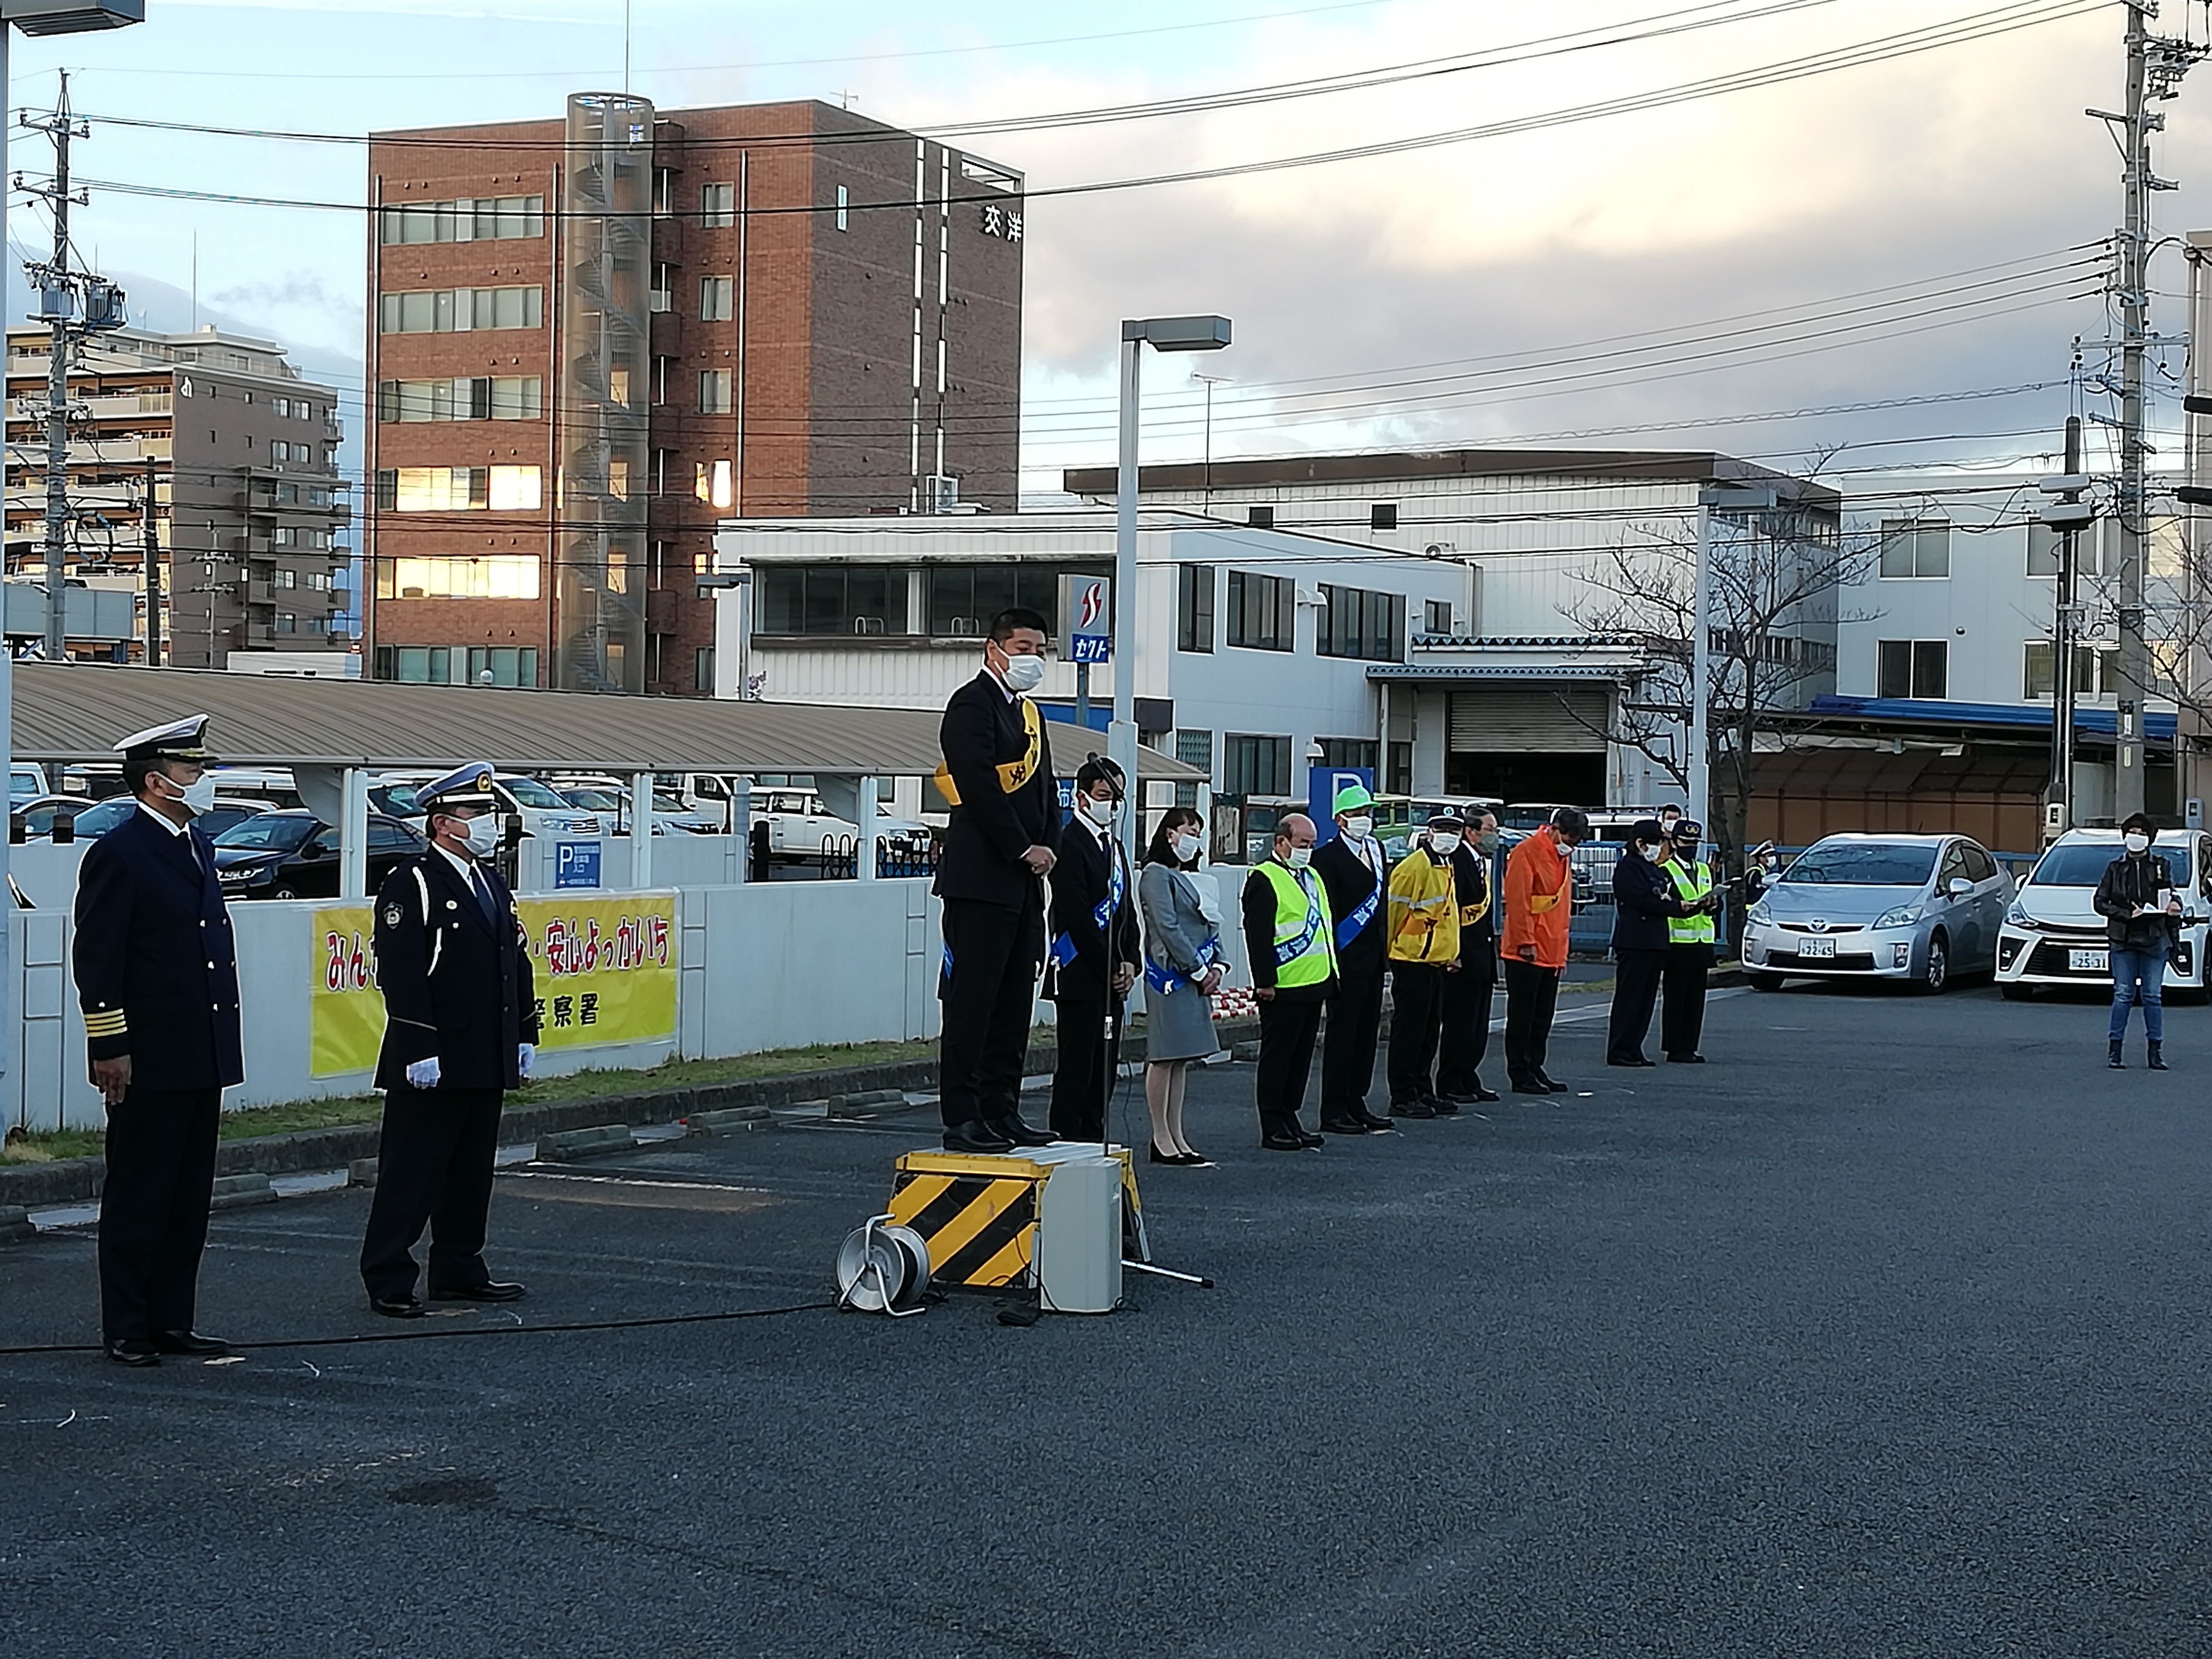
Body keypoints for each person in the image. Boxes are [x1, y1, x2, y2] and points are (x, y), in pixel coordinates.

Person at [72, 715, 243, 1367]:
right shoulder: (120, 852)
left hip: (199, 1047)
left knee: (187, 1195)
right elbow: (98, 958)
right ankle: (129, 1325)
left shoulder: (195, 843)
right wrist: (109, 1045)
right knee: (140, 1194)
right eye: (191, 769)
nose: (202, 779)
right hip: (149, 1050)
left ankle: (174, 1319)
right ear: (155, 780)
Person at [358, 763, 540, 1318]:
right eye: (474, 814)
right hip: (434, 1051)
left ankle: (461, 1268)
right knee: (413, 1170)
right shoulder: (412, 881)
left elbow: (514, 960)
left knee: (470, 1168)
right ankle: (388, 1275)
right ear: (441, 823)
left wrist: (524, 1033)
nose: (485, 823)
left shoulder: (489, 879)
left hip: (484, 1046)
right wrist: (418, 1045)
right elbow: (403, 968)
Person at [932, 607, 1061, 1152]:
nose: (1032, 658)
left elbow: (1047, 788)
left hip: (1024, 884)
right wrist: (1020, 847)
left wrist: (1052, 843)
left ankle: (1001, 1110)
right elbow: (978, 787)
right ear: (994, 649)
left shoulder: (1028, 714)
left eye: (1039, 649)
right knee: (974, 1003)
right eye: (1023, 646)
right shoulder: (972, 704)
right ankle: (963, 1116)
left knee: (1014, 1004)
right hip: (982, 878)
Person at [1045, 757, 1142, 1142]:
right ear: (1083, 799)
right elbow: (1076, 914)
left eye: (1118, 797)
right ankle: (1069, 1137)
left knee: (1105, 1066)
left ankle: (1094, 1133)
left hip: (1113, 976)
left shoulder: (1114, 846)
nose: (1111, 805)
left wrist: (1130, 960)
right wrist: (1111, 966)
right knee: (1077, 1064)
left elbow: (1127, 910)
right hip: (1081, 972)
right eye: (1104, 796)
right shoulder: (1069, 844)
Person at [1242, 813, 1338, 1150]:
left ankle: (1290, 1115)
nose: (1308, 851)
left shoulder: (1311, 876)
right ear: (1281, 842)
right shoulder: (1264, 878)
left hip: (1314, 981)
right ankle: (1272, 1123)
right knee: (1278, 1057)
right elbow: (1259, 935)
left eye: (1312, 845)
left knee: (1300, 1059)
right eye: (1302, 845)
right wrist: (1264, 981)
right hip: (1282, 985)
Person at [1138, 807, 1223, 1165]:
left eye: (1198, 833)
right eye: (1189, 831)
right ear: (1170, 834)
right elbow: (1167, 927)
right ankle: (1160, 1136)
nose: (1194, 839)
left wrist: (1218, 964)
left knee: (1182, 1059)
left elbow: (1210, 922)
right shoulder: (1156, 875)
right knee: (1164, 1055)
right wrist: (1198, 969)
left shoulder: (1191, 877)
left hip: (1196, 973)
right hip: (1170, 975)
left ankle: (1177, 1133)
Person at [1312, 783, 1396, 1135]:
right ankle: (1334, 1107)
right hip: (1346, 959)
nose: (1365, 819)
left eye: (1368, 813)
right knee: (1343, 1033)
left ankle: (1356, 1101)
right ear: (1340, 819)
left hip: (1374, 959)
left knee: (1366, 1035)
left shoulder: (1376, 850)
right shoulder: (1326, 858)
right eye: (1358, 813)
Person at [1502, 806, 1587, 1094]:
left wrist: (1561, 952)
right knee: (1523, 1016)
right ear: (1553, 829)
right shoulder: (1527, 852)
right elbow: (1518, 900)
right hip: (1527, 950)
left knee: (1542, 1017)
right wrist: (1525, 941)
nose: (1570, 845)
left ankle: (1535, 1067)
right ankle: (1519, 1072)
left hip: (1551, 949)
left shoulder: (1561, 856)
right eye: (1568, 838)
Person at [1384, 810, 1465, 1118]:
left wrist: (1451, 952)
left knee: (1429, 1031)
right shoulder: (1413, 868)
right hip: (1411, 959)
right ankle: (1403, 1095)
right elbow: (1395, 913)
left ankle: (1421, 1088)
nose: (1448, 835)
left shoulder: (1446, 865)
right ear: (1429, 831)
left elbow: (1448, 915)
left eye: (1454, 829)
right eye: (1442, 828)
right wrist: (1390, 952)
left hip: (1435, 960)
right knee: (1410, 1032)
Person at [2095, 812, 2181, 1070]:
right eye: (2132, 833)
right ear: (2124, 837)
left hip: (2155, 938)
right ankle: (2115, 1050)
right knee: (2123, 994)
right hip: (2123, 938)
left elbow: (2170, 893)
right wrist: (2125, 914)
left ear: (2150, 839)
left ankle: (2155, 1051)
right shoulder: (2115, 868)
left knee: (2153, 995)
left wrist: (2175, 905)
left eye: (2142, 834)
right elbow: (2100, 902)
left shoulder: (2160, 865)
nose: (2136, 838)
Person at [1606, 817, 1684, 1068]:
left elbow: (1665, 897)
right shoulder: (1629, 868)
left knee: (1646, 1000)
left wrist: (1688, 907)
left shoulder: (1652, 868)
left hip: (1655, 940)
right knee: (1630, 997)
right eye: (1655, 843)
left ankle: (1634, 1047)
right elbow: (1642, 900)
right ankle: (1620, 1048)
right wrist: (1672, 905)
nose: (1659, 848)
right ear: (1640, 843)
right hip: (1634, 940)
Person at [1435, 807, 1501, 1104]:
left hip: (1482, 956)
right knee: (1460, 1024)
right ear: (1471, 831)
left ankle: (1468, 1075)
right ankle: (1451, 1079)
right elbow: (1454, 912)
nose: (1494, 836)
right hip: (1463, 958)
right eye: (1490, 829)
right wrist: (1454, 953)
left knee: (1477, 1024)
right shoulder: (1458, 861)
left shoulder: (1481, 861)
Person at [1659, 817, 1719, 1063]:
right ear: (1674, 842)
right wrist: (1695, 907)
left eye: (1695, 842)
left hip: (1701, 944)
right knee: (1676, 999)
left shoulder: (1704, 869)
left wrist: (1714, 904)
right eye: (1686, 842)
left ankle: (1690, 1046)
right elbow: (1669, 904)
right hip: (1677, 944)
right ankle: (1675, 1048)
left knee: (1695, 1001)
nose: (1691, 846)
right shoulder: (1665, 870)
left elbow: (1714, 904)